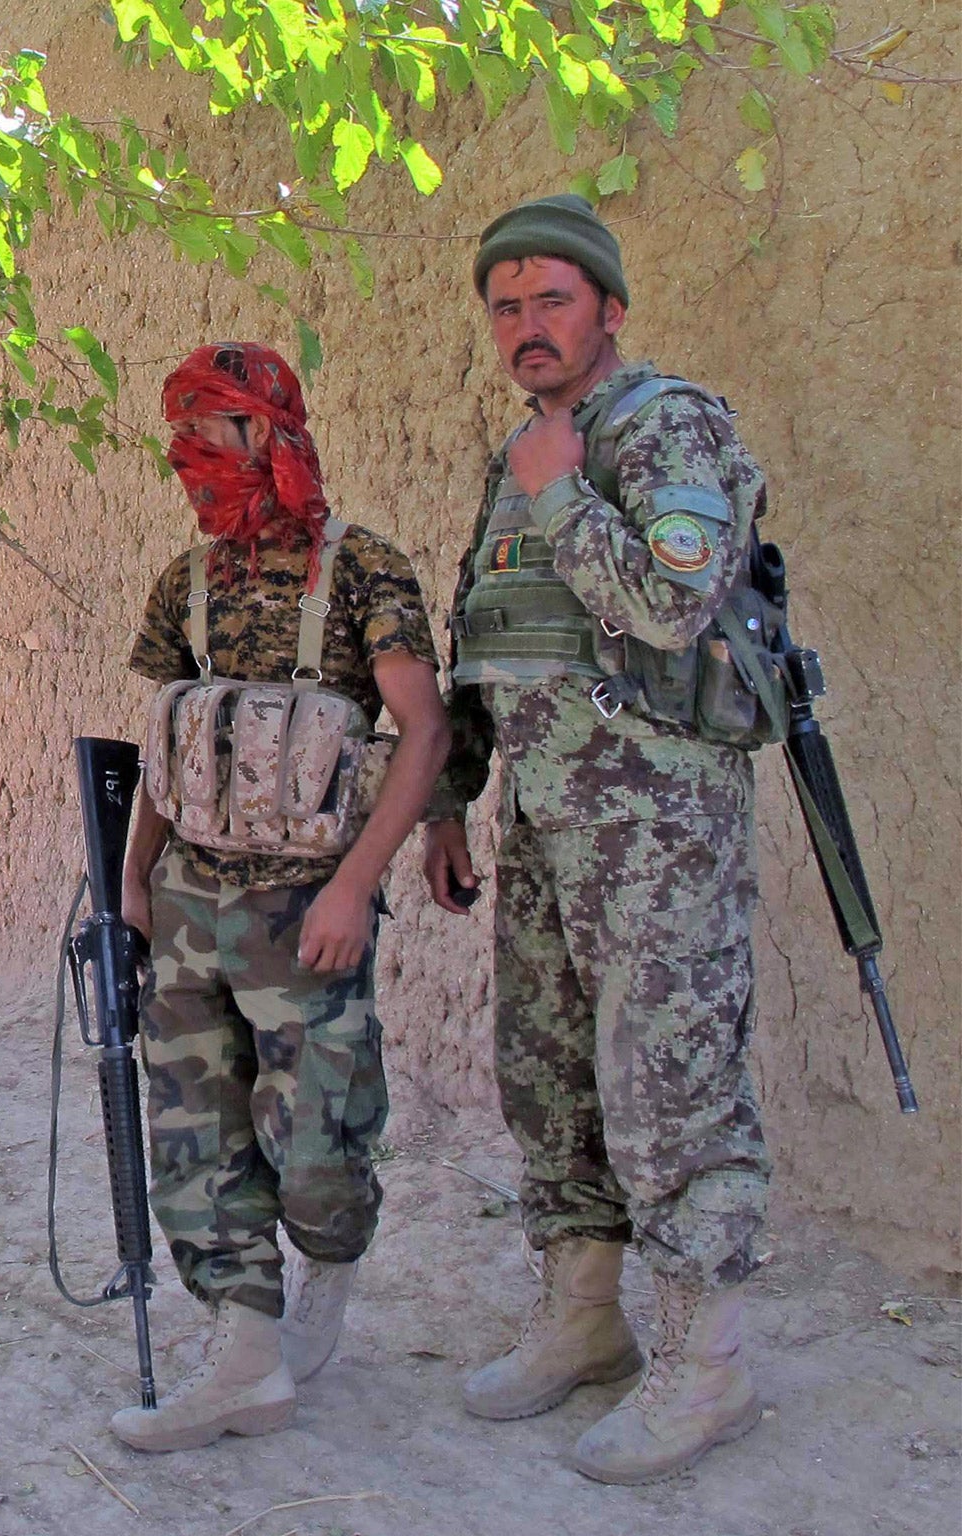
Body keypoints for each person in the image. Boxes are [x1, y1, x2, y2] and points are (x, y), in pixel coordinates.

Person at [423, 193, 775, 1484]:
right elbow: (487, 643)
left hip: (660, 836)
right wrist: (452, 801)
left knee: (673, 1098)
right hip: (546, 829)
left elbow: (674, 604)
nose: (526, 326)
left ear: (609, 309)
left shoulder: (668, 424)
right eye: (506, 307)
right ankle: (586, 1321)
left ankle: (711, 1366)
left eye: (551, 301)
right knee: (554, 1082)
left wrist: (566, 498)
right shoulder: (522, 459)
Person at [109, 343, 449, 1453]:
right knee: (196, 1140)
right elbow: (170, 738)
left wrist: (356, 885)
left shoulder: (361, 571)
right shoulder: (187, 580)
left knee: (315, 1149)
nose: (188, 458)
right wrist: (129, 879)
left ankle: (329, 1272)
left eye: (210, 431)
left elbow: (421, 733)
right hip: (189, 909)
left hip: (305, 916)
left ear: (268, 434)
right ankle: (243, 1355)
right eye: (182, 436)